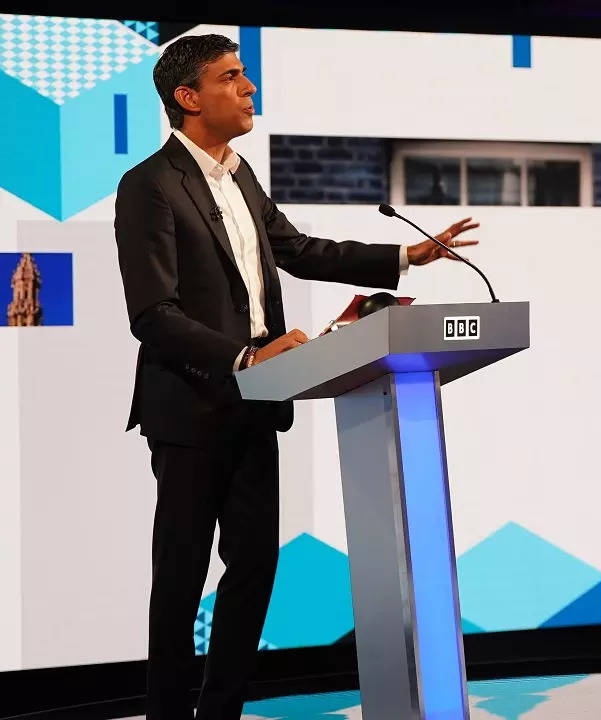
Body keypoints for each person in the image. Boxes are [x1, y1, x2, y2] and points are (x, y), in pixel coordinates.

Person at [114, 34, 479, 719]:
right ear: (188, 99)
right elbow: (153, 314)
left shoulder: (241, 174)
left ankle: (220, 711)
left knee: (253, 570)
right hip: (191, 406)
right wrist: (246, 357)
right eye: (231, 78)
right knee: (182, 578)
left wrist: (404, 256)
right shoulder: (150, 186)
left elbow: (297, 251)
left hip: (258, 404)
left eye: (245, 75)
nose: (248, 88)